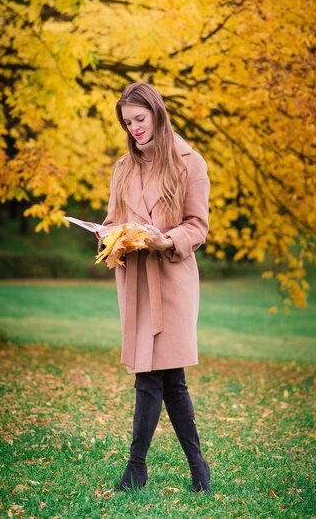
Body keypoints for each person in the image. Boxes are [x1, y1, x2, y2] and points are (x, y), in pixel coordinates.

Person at [102, 82, 211, 493]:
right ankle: (195, 469)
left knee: (157, 377)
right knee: (163, 378)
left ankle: (137, 469)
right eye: (128, 123)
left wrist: (166, 240)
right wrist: (108, 236)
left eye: (140, 120)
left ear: (157, 113)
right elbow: (114, 219)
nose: (134, 130)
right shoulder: (123, 167)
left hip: (171, 278)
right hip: (136, 284)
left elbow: (197, 225)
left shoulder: (189, 162)